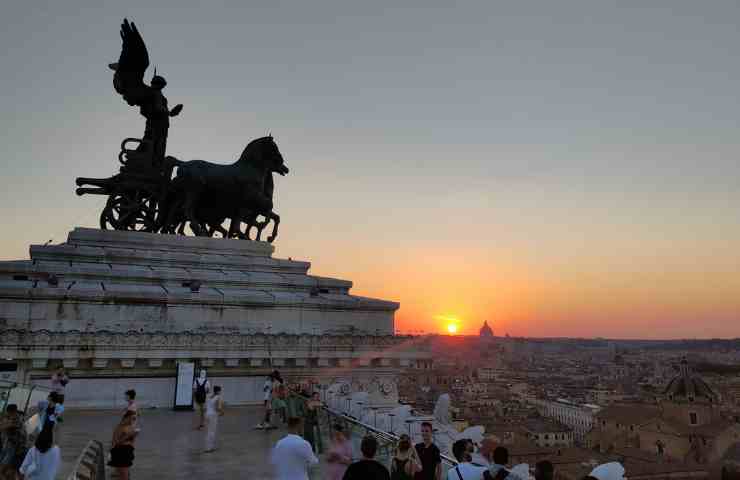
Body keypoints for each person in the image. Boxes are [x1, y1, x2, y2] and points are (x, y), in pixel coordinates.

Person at [108, 411, 139, 480]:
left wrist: (134, 436)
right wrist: (127, 436)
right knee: (124, 476)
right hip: (120, 452)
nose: (134, 420)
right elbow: (115, 442)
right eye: (133, 418)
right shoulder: (120, 427)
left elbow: (131, 442)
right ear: (127, 418)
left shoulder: (131, 427)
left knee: (126, 475)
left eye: (135, 419)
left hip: (128, 452)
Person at [0, 404, 27, 480]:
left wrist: (3, 424)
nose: (7, 414)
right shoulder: (12, 417)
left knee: (6, 463)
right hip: (11, 443)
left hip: (16, 445)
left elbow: (5, 427)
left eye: (8, 413)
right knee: (5, 460)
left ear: (12, 412)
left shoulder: (17, 419)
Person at [203, 386, 225, 453]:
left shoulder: (209, 396)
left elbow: (207, 405)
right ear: (218, 391)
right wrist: (222, 412)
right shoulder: (218, 397)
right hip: (213, 415)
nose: (220, 392)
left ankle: (208, 446)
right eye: (220, 390)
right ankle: (209, 448)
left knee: (208, 431)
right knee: (212, 431)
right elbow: (217, 408)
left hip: (207, 414)